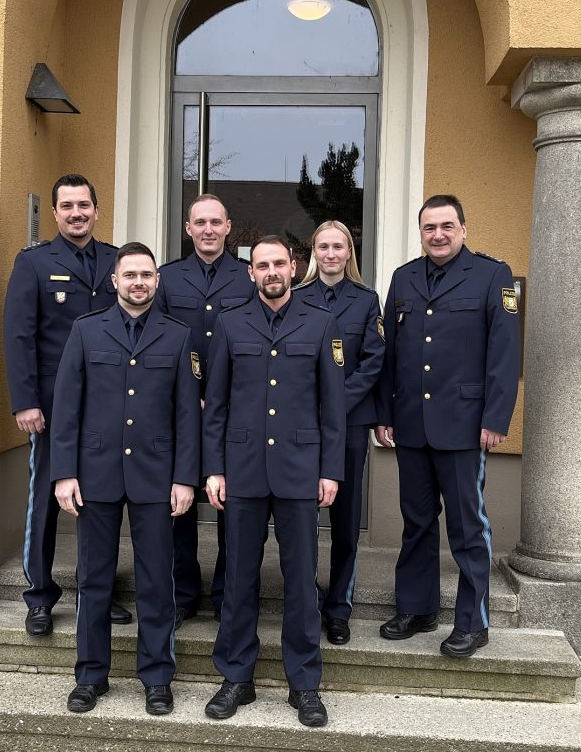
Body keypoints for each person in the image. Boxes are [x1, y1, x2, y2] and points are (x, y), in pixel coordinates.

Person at [202, 235, 345, 727]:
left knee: (301, 581)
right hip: (241, 469)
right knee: (239, 577)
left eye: (278, 263)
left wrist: (330, 471)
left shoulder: (322, 323)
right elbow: (215, 406)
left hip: (301, 470)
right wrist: (213, 468)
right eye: (261, 265)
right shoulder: (228, 324)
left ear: (293, 266)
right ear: (251, 272)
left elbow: (333, 408)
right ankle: (236, 677)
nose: (271, 272)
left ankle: (304, 684)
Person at [51, 242, 200, 715]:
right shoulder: (86, 330)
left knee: (157, 581)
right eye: (130, 274)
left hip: (157, 477)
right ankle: (90, 676)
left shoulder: (178, 336)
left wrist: (185, 478)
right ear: (115, 281)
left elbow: (186, 417)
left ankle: (156, 677)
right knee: (94, 579)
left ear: (158, 281)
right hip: (95, 475)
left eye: (147, 275)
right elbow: (67, 408)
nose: (139, 282)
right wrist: (64, 474)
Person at [375, 194, 520, 659]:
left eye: (446, 226)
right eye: (429, 227)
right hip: (412, 424)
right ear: (421, 232)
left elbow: (504, 355)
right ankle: (417, 608)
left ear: (463, 228)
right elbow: (391, 356)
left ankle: (472, 621)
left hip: (465, 425)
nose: (437, 234)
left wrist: (496, 418)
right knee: (416, 522)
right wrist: (385, 414)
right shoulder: (403, 278)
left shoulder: (491, 276)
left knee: (466, 526)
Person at [4, 174, 132, 637]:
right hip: (54, 407)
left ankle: (96, 590)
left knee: (103, 502)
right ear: (55, 213)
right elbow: (19, 336)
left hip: (111, 407)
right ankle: (39, 596)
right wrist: (25, 402)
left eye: (84, 205)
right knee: (47, 502)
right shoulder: (35, 263)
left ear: (97, 211)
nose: (77, 213)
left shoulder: (118, 261)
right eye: (67, 206)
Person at [155, 194, 254, 628]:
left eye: (216, 221)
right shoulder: (167, 278)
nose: (209, 229)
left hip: (234, 412)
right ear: (188, 228)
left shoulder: (249, 278)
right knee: (180, 505)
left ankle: (227, 593)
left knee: (231, 503)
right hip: (181, 411)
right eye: (201, 222)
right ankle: (183, 593)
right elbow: (156, 341)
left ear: (229, 226)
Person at [293, 221, 384, 645]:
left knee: (345, 520)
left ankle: (338, 609)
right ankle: (307, 600)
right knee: (303, 518)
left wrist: (335, 403)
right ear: (314, 252)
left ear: (349, 252)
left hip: (349, 422)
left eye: (338, 246)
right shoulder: (296, 298)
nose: (331, 254)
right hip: (303, 425)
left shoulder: (366, 301)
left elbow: (373, 361)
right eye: (323, 246)